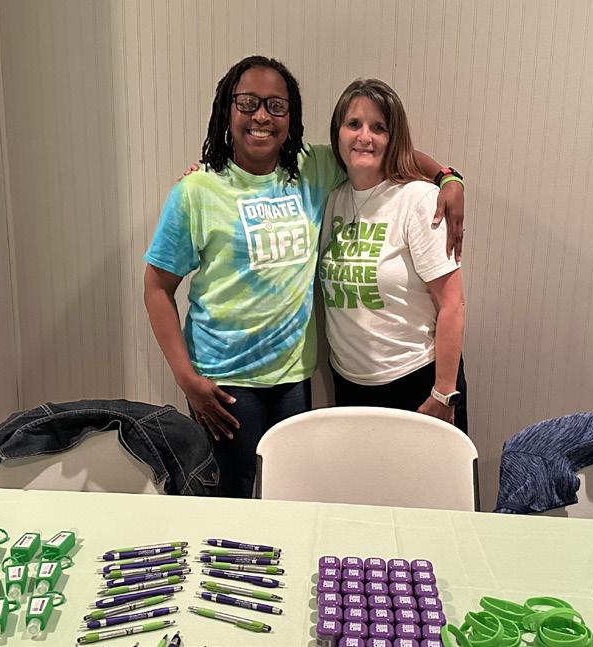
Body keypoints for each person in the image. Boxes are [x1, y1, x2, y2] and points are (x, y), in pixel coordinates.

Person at [143, 56, 465, 497]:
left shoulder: (312, 169)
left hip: (293, 378)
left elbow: (387, 151)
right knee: (233, 498)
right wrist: (186, 379)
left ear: (291, 117)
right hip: (224, 381)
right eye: (248, 102)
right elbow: (157, 288)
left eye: (276, 105)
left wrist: (448, 177)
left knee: (291, 494)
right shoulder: (196, 191)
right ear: (226, 110)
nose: (261, 116)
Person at [320, 78, 468, 433]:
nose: (364, 137)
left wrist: (443, 392)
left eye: (379, 128)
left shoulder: (418, 199)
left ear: (393, 137)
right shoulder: (333, 198)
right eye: (353, 124)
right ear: (338, 132)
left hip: (417, 383)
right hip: (349, 385)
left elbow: (453, 304)